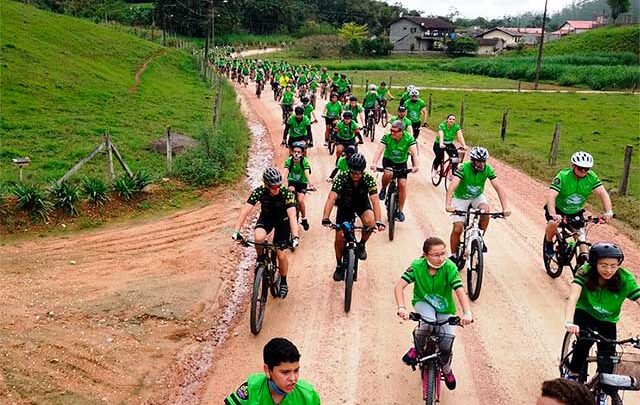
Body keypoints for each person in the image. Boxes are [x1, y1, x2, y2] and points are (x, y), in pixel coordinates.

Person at [563, 243, 639, 405]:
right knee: (582, 346)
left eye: (613, 266)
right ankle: (571, 377)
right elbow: (573, 297)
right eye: (603, 265)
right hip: (585, 313)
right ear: (594, 263)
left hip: (608, 321)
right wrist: (569, 321)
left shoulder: (626, 278)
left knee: (608, 358)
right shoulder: (585, 271)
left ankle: (603, 391)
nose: (609, 270)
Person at [394, 237, 473, 391]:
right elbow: (399, 286)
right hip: (423, 302)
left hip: (445, 308)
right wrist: (401, 307)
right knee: (428, 321)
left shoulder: (449, 267)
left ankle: (447, 371)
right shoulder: (417, 266)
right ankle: (416, 350)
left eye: (443, 253)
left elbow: (459, 290)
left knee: (446, 344)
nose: (441, 258)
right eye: (436, 255)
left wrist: (467, 312)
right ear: (425, 255)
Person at [232, 168, 300, 298]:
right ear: (266, 185)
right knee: (258, 237)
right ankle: (261, 259)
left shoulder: (286, 194)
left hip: (282, 222)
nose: (277, 189)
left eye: (279, 185)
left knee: (281, 255)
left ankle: (284, 282)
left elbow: (292, 216)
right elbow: (245, 210)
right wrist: (236, 230)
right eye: (273, 186)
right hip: (267, 218)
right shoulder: (260, 191)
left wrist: (295, 236)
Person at [322, 153, 385, 281]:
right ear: (349, 169)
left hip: (362, 204)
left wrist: (378, 221)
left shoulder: (368, 179)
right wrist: (326, 217)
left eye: (359, 173)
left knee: (370, 222)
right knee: (339, 237)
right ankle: (339, 265)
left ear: (363, 171)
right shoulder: (342, 177)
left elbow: (375, 201)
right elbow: (331, 197)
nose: (356, 176)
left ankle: (362, 244)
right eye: (353, 172)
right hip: (345, 206)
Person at [543, 152, 613, 260]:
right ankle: (548, 242)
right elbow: (551, 196)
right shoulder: (563, 176)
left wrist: (608, 211)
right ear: (573, 166)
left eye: (587, 169)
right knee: (553, 223)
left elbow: (603, 193)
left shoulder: (592, 177)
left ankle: (583, 265)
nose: (584, 171)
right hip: (558, 209)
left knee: (582, 238)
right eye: (580, 168)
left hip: (575, 211)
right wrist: (553, 214)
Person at [445, 147, 510, 261]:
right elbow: (452, 187)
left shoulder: (488, 169)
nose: (482, 164)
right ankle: (454, 254)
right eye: (479, 161)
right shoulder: (463, 168)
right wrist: (448, 205)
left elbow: (499, 188)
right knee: (458, 228)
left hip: (476, 197)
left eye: (483, 161)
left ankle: (479, 238)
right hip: (460, 197)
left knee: (485, 211)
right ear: (473, 161)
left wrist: (505, 208)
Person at [224, 337, 321, 405]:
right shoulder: (251, 388)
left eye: (296, 370)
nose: (293, 379)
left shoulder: (308, 396)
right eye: (285, 372)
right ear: (267, 370)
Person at [370, 121, 419, 222]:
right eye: (391, 131)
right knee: (388, 173)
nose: (392, 133)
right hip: (388, 161)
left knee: (402, 185)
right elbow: (379, 151)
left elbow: (415, 154)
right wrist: (374, 163)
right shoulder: (387, 137)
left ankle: (400, 211)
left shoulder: (409, 138)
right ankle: (383, 189)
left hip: (401, 163)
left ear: (402, 131)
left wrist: (416, 166)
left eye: (395, 132)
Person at [284, 142, 316, 231]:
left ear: (302, 153)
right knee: (290, 193)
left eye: (298, 152)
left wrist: (311, 184)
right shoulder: (289, 161)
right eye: (295, 151)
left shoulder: (304, 161)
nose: (296, 154)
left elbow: (306, 173)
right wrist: (280, 183)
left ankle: (304, 218)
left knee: (300, 200)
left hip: (302, 183)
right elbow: (285, 172)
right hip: (292, 182)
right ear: (291, 152)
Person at [433, 114, 468, 179]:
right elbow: (441, 135)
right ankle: (435, 170)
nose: (451, 121)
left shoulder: (456, 127)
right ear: (447, 120)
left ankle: (452, 173)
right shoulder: (442, 125)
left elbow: (460, 136)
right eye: (450, 119)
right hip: (439, 144)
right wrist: (441, 143)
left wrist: (464, 145)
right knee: (439, 157)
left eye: (453, 119)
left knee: (456, 158)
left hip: (449, 144)